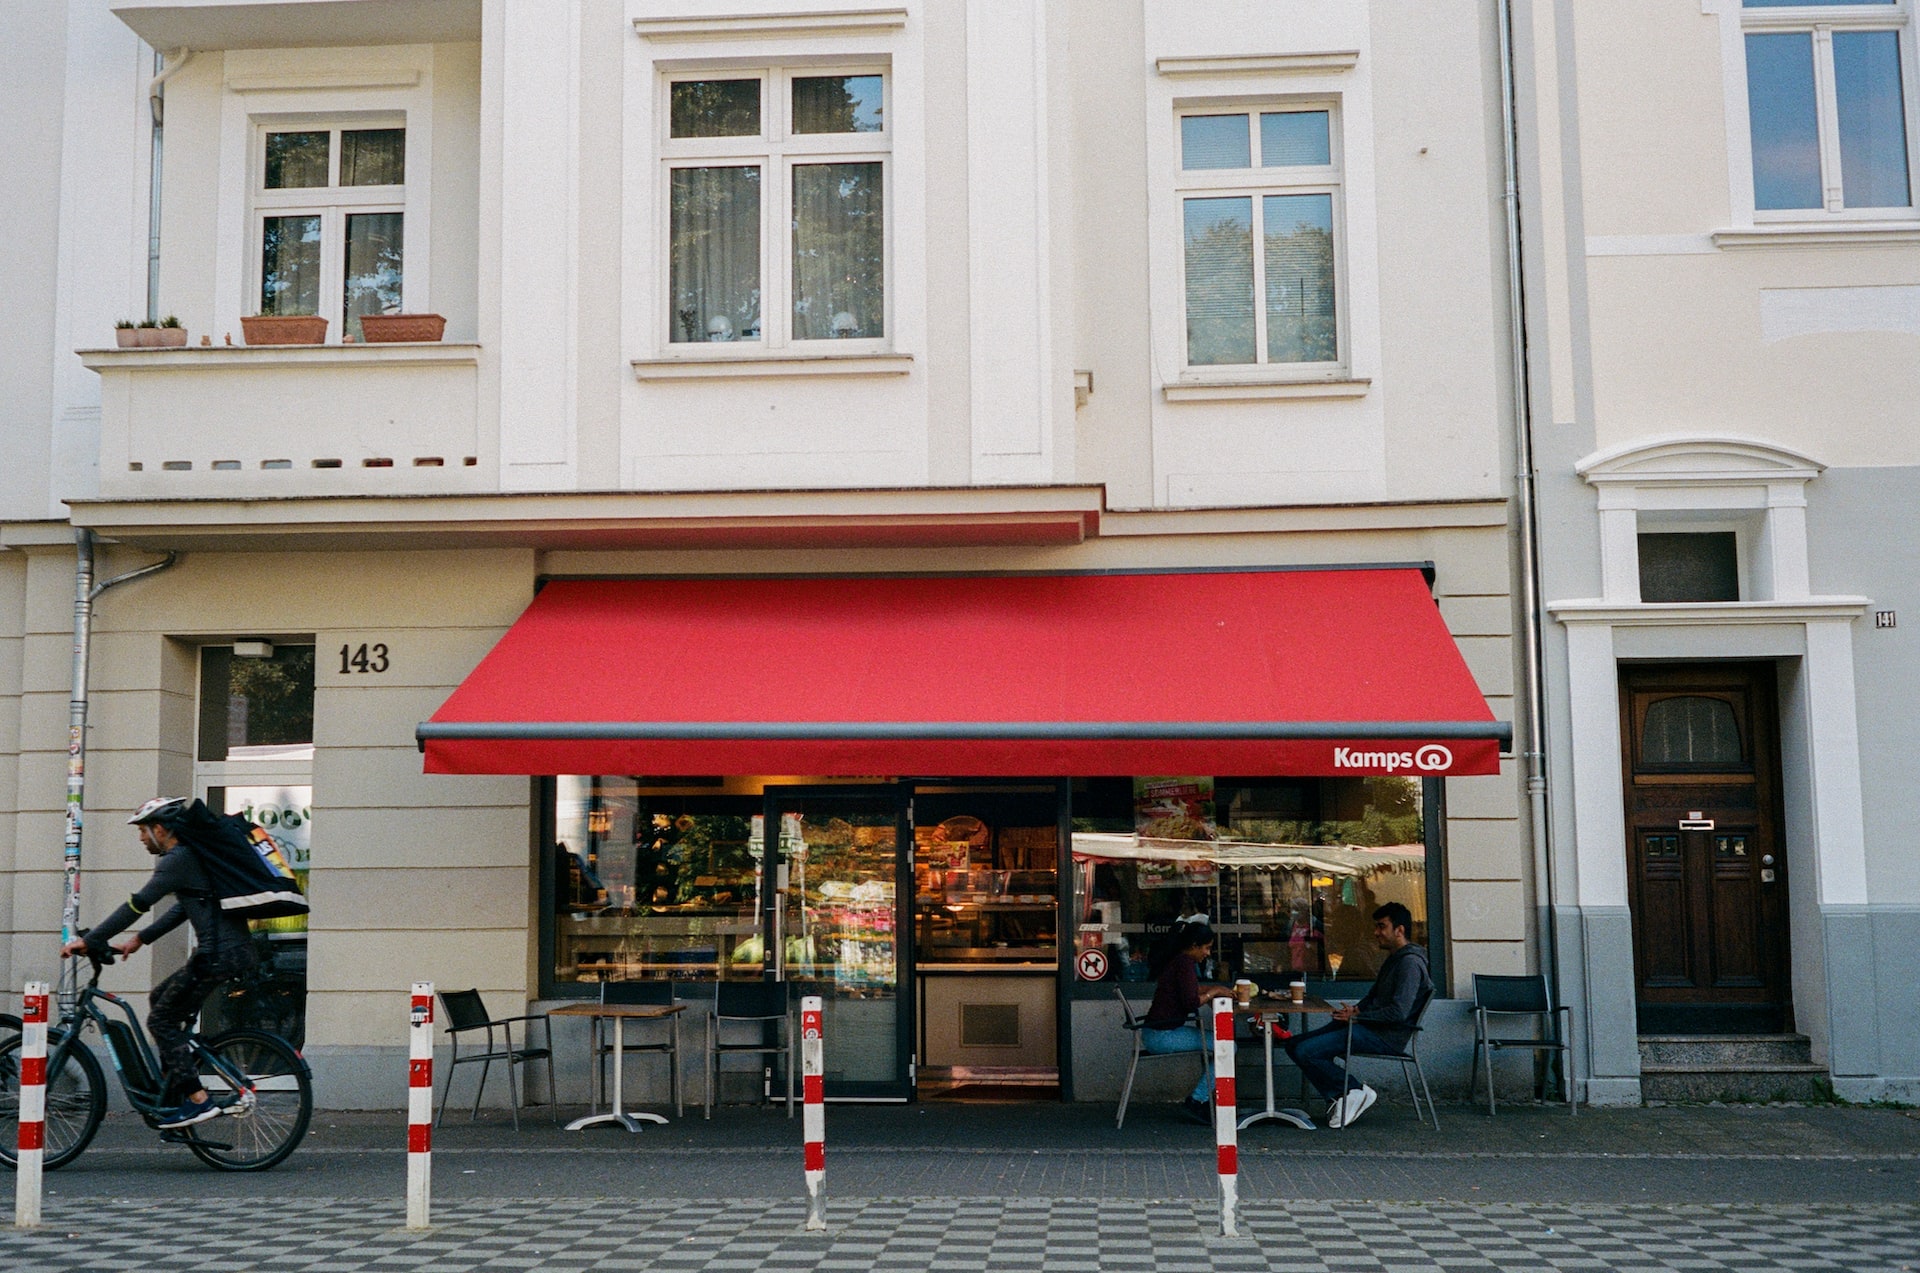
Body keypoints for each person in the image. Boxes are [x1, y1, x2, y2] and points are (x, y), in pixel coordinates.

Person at [59, 796, 259, 1130]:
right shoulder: (190, 857)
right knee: (160, 1000)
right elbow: (184, 907)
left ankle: (198, 1100)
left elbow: (136, 904)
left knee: (162, 1020)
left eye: (143, 832)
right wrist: (141, 939)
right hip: (227, 952)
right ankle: (175, 1091)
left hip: (218, 955)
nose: (141, 839)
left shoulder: (176, 860)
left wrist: (91, 940)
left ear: (160, 829)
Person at [1282, 901, 1430, 1129]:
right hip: (1369, 1026)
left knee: (1306, 1050)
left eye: (1381, 926)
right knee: (1293, 1044)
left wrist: (1358, 1017)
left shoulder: (1409, 964)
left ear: (1399, 930)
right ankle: (1342, 1096)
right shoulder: (1395, 959)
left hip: (1385, 1036)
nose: (1376, 932)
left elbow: (1399, 1012)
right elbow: (1375, 998)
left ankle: (1352, 1090)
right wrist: (1356, 1010)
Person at [1139, 919, 1229, 1126]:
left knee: (1223, 1044)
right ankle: (1198, 1100)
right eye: (1206, 948)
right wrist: (1214, 991)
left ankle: (1203, 1098)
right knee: (1227, 1046)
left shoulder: (1178, 961)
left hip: (1155, 1032)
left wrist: (1210, 988)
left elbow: (1187, 990)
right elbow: (1190, 1002)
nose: (1207, 953)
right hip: (1163, 1036)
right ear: (1194, 946)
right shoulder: (1185, 964)